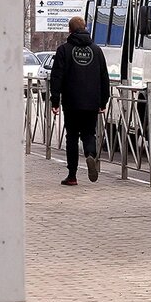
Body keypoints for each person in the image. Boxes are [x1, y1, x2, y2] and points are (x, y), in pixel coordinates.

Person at [50, 16, 111, 186]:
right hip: (92, 101)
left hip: (71, 102)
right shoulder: (97, 51)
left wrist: (55, 101)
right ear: (85, 28)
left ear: (70, 30)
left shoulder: (64, 50)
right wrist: (103, 102)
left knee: (72, 137)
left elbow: (56, 77)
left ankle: (72, 176)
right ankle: (90, 154)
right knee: (88, 134)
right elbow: (104, 77)